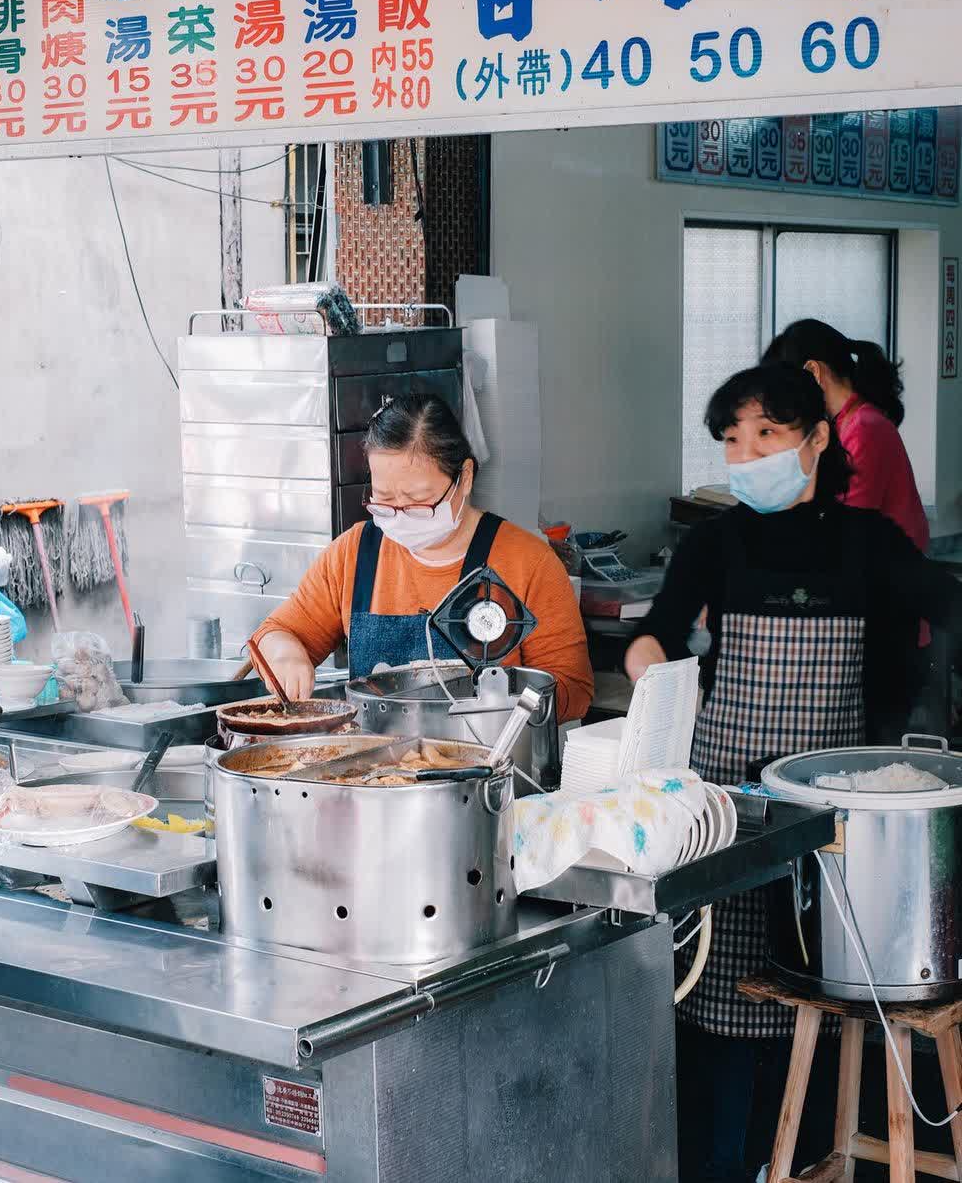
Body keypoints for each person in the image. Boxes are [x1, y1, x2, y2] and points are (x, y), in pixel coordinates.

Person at [624, 363, 962, 1183]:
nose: (747, 454)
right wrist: (651, 688)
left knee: (819, 974)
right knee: (719, 991)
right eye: (733, 439)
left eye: (767, 434)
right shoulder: (715, 543)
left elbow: (945, 603)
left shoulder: (867, 544)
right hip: (726, 808)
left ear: (816, 439)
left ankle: (812, 1149)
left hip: (831, 815)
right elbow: (659, 634)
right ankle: (722, 1162)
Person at [249, 393, 593, 723]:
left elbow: (573, 690)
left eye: (418, 501)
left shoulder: (528, 563)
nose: (400, 515)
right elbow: (275, 632)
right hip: (373, 772)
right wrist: (286, 653)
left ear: (465, 478)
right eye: (384, 499)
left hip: (490, 772)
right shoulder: (353, 554)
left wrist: (498, 706)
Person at [763, 320, 928, 552]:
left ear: (813, 371)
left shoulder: (865, 427)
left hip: (892, 570)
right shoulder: (843, 422)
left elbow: (848, 524)